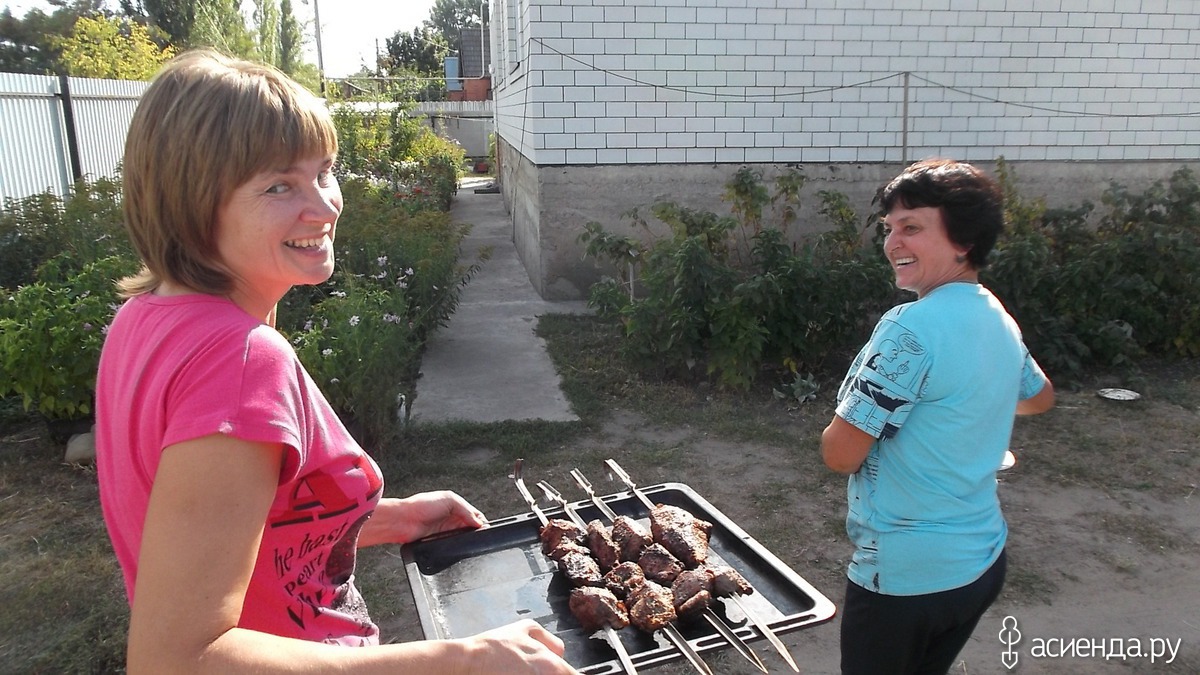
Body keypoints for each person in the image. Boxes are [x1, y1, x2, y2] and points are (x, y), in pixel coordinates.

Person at [95, 49, 576, 674]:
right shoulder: (241, 361)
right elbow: (178, 659)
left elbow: (225, 523)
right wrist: (462, 661)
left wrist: (381, 519)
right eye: (278, 186)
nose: (324, 207)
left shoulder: (144, 320)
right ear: (191, 204)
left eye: (325, 171)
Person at [821, 159, 1055, 674]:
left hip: (906, 579)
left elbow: (841, 453)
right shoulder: (996, 314)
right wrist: (971, 403)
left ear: (964, 240)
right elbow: (1040, 397)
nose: (892, 243)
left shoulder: (911, 328)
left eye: (912, 228)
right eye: (889, 229)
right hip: (981, 563)